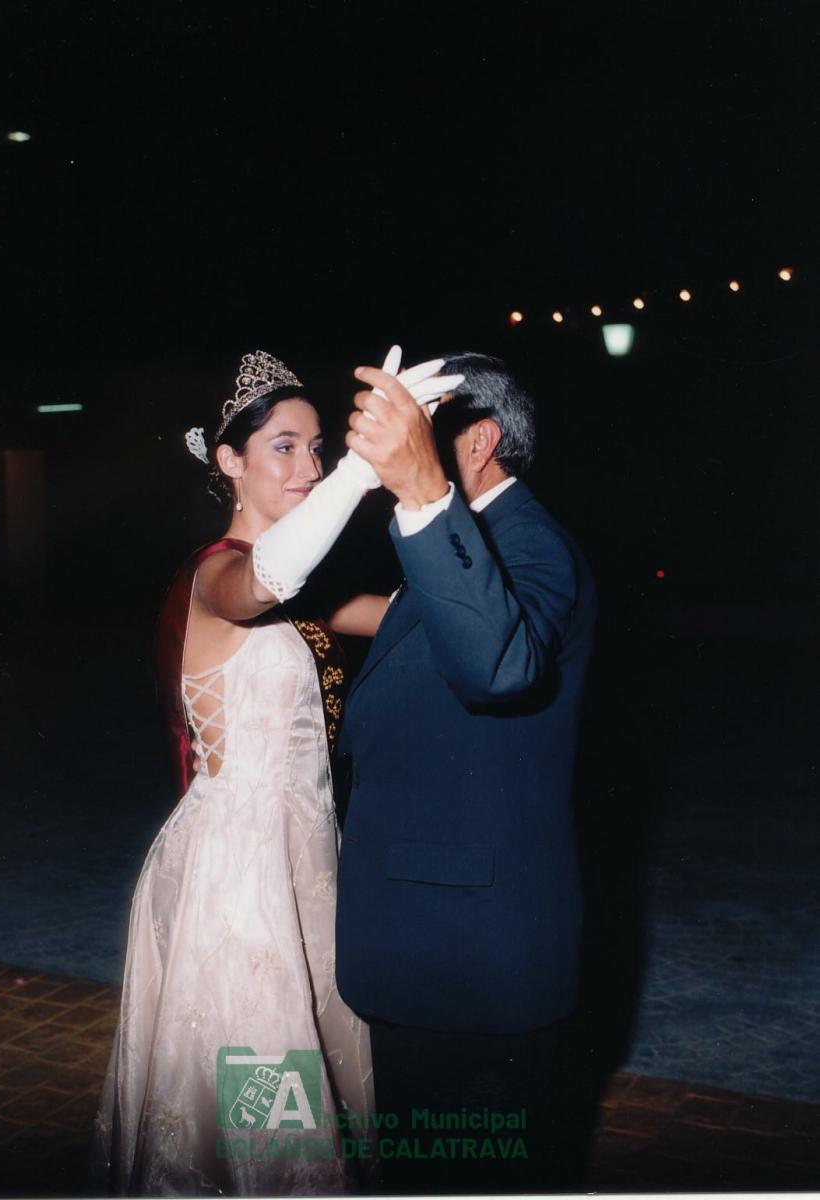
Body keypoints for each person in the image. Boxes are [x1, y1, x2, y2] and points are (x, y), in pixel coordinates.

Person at [89, 348, 461, 1196]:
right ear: (229, 461)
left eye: (319, 447)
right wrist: (362, 471)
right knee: (266, 1111)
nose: (309, 465)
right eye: (284, 447)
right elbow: (270, 574)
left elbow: (420, 617)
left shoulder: (303, 592)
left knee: (312, 1082)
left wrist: (448, 504)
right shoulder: (217, 576)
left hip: (308, 861)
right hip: (239, 874)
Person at [334, 352, 597, 1193]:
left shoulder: (531, 546)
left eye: (424, 426)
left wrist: (422, 493)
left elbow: (496, 668)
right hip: (431, 945)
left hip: (470, 961)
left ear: (478, 441)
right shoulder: (470, 541)